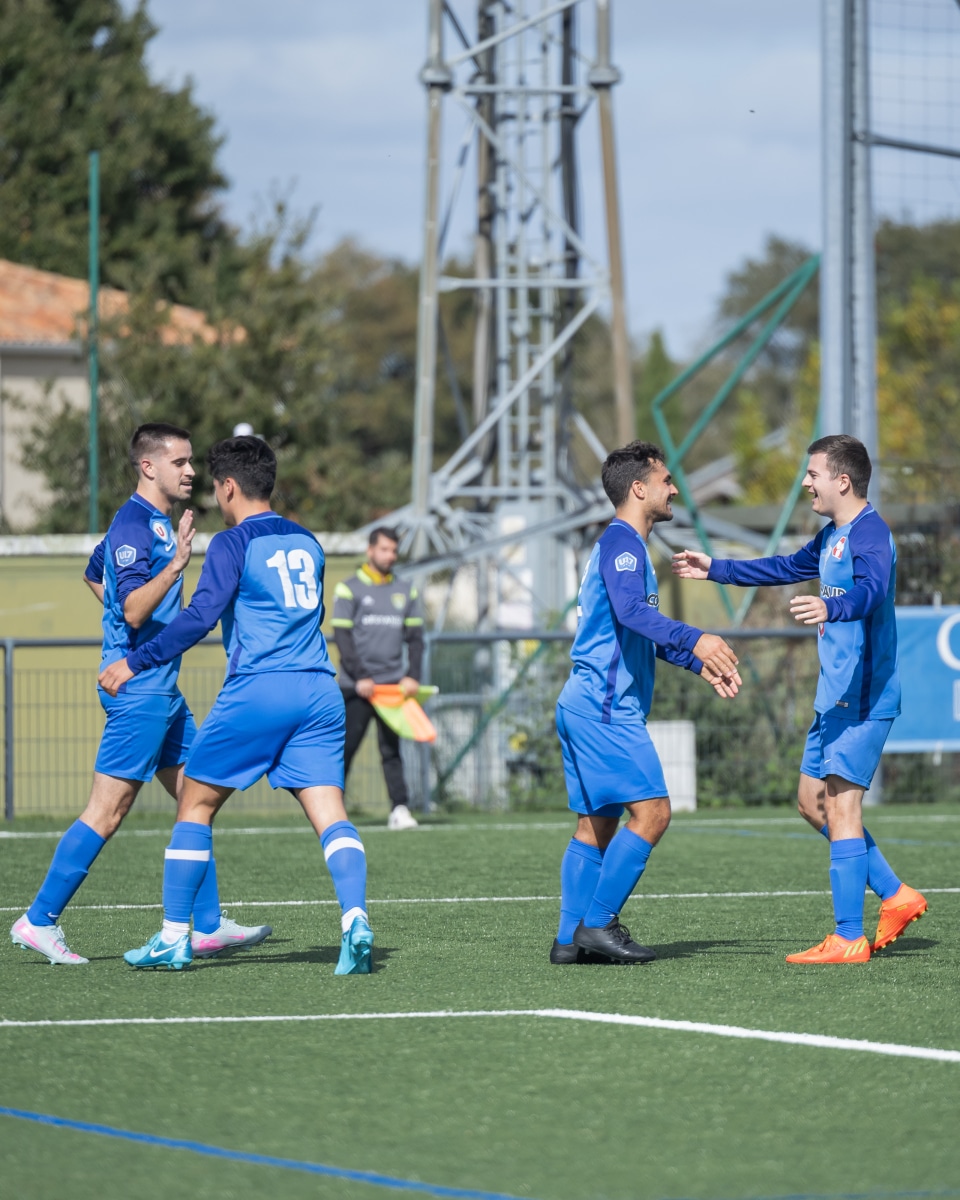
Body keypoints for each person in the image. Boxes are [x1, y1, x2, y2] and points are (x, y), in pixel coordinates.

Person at [99, 435, 373, 975]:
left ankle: (174, 937)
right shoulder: (310, 542)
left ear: (228, 487)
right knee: (331, 815)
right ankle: (355, 919)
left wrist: (136, 661)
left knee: (194, 804)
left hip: (260, 689)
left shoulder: (231, 543)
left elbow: (199, 618)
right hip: (320, 692)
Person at [10, 423, 270, 965]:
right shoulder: (134, 524)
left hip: (161, 691)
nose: (191, 471)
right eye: (180, 462)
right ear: (148, 467)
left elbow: (95, 573)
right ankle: (39, 920)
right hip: (139, 691)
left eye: (191, 462)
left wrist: (126, 612)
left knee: (195, 797)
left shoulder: (152, 522)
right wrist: (173, 569)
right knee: (108, 811)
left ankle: (207, 926)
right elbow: (130, 609)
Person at [673, 433, 927, 964]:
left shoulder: (871, 532)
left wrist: (833, 608)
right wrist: (714, 568)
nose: (806, 482)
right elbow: (785, 567)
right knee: (812, 803)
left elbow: (872, 590)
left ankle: (848, 936)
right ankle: (896, 894)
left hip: (863, 695)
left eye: (813, 474)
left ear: (843, 480)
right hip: (833, 696)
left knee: (842, 806)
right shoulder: (832, 534)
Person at [552, 441, 742, 965]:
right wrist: (697, 638)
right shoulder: (625, 545)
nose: (674, 488)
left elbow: (638, 631)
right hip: (605, 706)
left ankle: (568, 941)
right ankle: (597, 924)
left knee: (596, 825)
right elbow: (633, 613)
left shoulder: (621, 545)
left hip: (583, 701)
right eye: (666, 480)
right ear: (639, 489)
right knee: (654, 813)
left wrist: (696, 662)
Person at [332, 526, 424, 830]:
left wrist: (412, 676)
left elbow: (415, 639)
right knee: (345, 750)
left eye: (394, 550)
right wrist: (361, 677)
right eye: (384, 549)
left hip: (392, 689)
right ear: (370, 550)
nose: (390, 556)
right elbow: (343, 638)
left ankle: (399, 809)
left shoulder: (406, 590)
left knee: (392, 751)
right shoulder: (348, 588)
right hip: (357, 688)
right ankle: (332, 811)